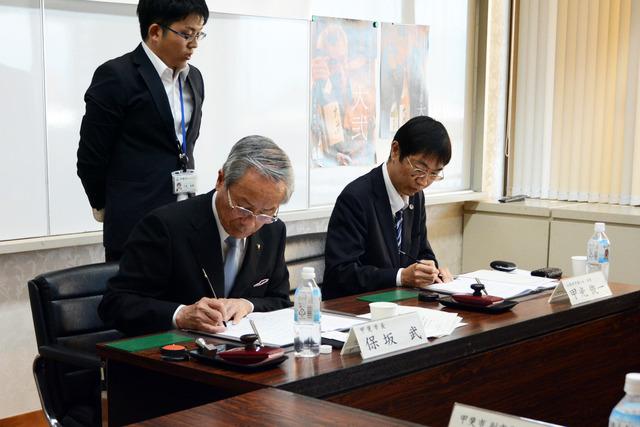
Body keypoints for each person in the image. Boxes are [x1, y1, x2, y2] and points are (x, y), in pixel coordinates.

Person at [98, 136, 294, 336]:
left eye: (265, 213)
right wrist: (180, 315)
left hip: (243, 358)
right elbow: (115, 303)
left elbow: (280, 301)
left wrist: (246, 304)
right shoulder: (166, 226)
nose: (251, 222)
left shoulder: (273, 231)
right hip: (173, 356)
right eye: (243, 207)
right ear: (221, 180)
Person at [77, 0, 209, 261]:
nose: (194, 44)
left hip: (185, 218)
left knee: (183, 301)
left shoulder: (194, 78)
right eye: (186, 34)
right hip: (135, 225)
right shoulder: (117, 76)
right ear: (155, 32)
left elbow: (183, 145)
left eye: (199, 34)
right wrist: (108, 206)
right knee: (134, 301)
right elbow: (91, 157)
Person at [322, 116, 454, 299]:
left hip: (400, 304)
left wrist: (431, 270)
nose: (423, 181)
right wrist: (401, 277)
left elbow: (421, 251)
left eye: (434, 174)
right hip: (357, 308)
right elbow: (342, 273)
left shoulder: (416, 196)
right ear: (395, 150)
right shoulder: (356, 198)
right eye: (419, 169)